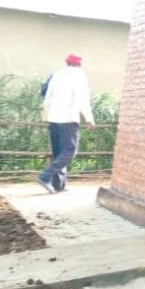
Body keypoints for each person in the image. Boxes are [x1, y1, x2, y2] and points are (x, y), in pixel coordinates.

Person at [37, 53, 94, 193]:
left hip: (53, 118)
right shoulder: (79, 75)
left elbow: (47, 97)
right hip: (68, 118)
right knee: (70, 150)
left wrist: (47, 115)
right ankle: (45, 176)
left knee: (58, 153)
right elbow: (82, 98)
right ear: (79, 64)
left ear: (66, 62)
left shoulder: (56, 74)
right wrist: (89, 118)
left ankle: (58, 186)